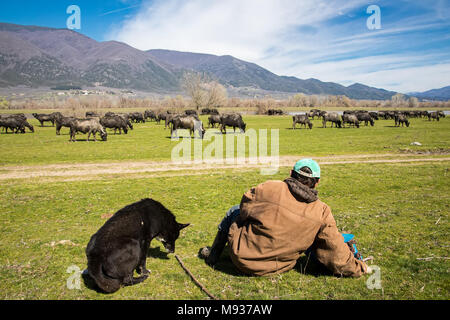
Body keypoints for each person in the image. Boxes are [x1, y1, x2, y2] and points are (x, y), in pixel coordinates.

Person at [199, 159, 369, 277]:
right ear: (317, 182)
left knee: (233, 211)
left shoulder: (268, 187)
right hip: (278, 267)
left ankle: (213, 256)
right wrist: (359, 268)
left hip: (241, 260)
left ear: (290, 173)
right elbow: (335, 249)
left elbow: (244, 209)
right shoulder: (322, 211)